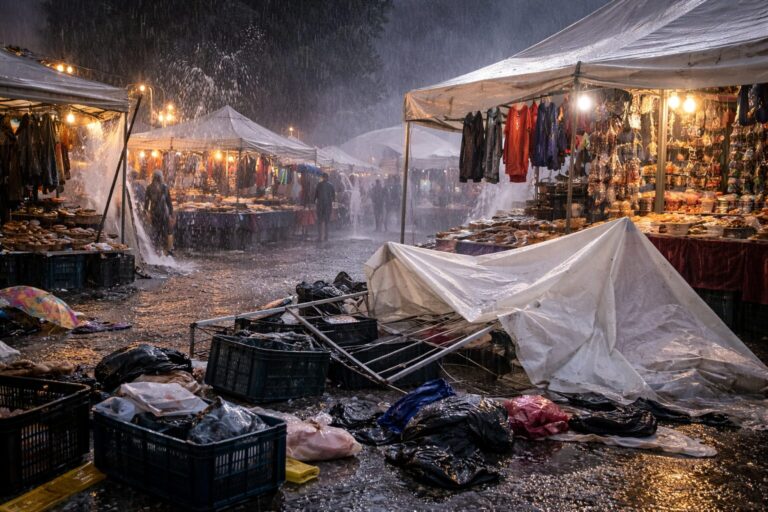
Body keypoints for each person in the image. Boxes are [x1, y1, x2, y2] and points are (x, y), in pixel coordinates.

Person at [144, 169, 174, 254]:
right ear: (161, 178)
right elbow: (169, 203)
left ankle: (156, 251)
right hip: (164, 214)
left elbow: (146, 204)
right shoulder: (165, 187)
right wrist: (171, 215)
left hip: (155, 214)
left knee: (156, 233)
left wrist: (146, 214)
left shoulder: (149, 188)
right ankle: (166, 251)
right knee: (165, 232)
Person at [314, 172, 335, 241]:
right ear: (328, 178)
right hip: (328, 206)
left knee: (320, 221)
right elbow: (334, 197)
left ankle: (320, 237)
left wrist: (313, 202)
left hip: (320, 205)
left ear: (323, 177)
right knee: (326, 222)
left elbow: (315, 195)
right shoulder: (331, 185)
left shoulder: (319, 185)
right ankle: (326, 237)